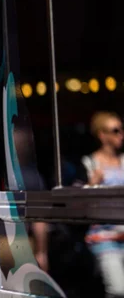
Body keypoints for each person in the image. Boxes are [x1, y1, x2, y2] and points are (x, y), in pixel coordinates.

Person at [83, 111, 124, 298]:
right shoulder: (89, 163)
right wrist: (92, 184)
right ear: (102, 135)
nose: (120, 134)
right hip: (104, 238)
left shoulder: (123, 161)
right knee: (117, 290)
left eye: (121, 129)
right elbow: (80, 200)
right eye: (115, 130)